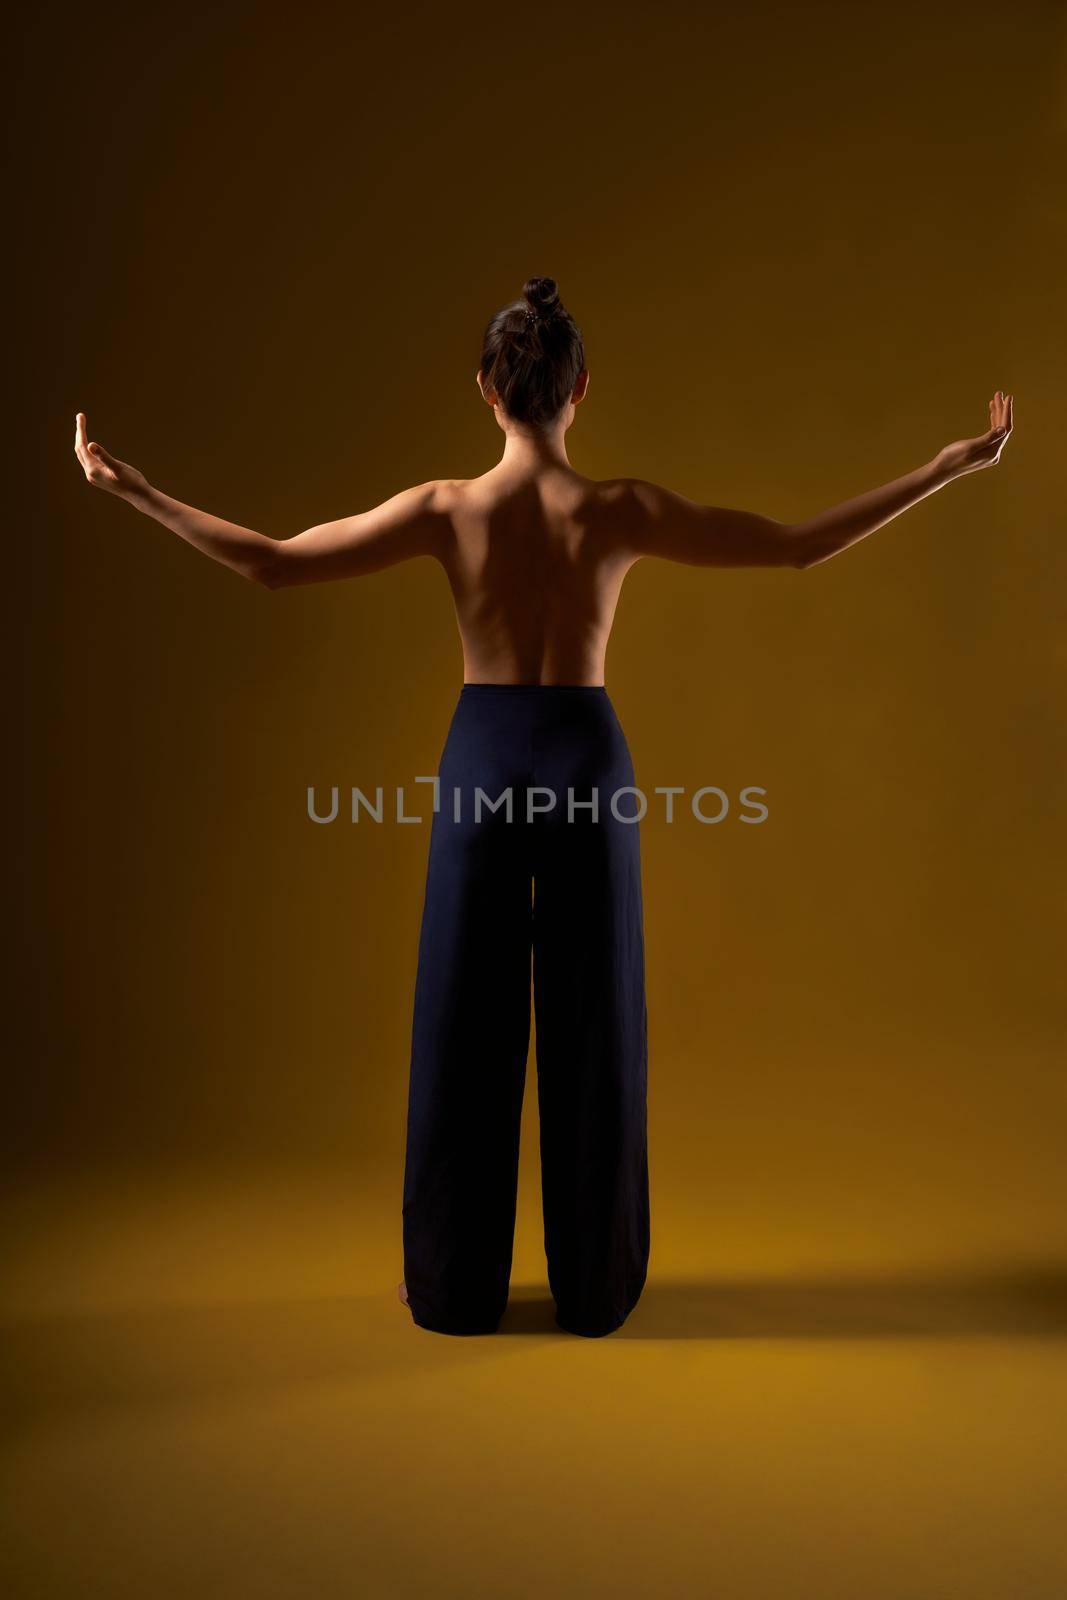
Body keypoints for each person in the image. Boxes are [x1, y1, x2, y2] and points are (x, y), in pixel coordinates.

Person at [74, 275, 1014, 1337]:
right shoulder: (618, 511)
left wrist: (137, 491)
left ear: (487, 389)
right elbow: (796, 545)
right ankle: (595, 1285)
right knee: (592, 1020)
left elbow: (273, 566)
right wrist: (946, 466)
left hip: (480, 758)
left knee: (460, 1023)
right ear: (579, 390)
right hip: (583, 757)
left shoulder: (444, 509)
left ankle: (450, 1284)